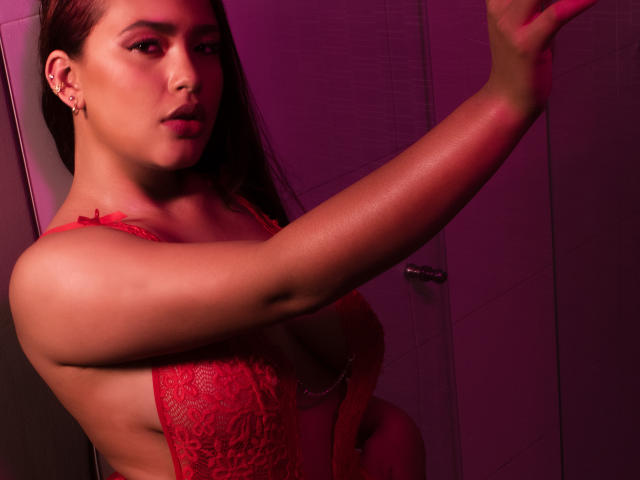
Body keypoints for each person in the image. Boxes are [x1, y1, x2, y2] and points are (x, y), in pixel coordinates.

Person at [8, 0, 597, 479]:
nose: (190, 77)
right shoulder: (55, 278)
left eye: (206, 47)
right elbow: (289, 280)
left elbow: (298, 397)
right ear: (65, 78)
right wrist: (505, 101)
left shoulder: (231, 204)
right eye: (147, 46)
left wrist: (384, 426)